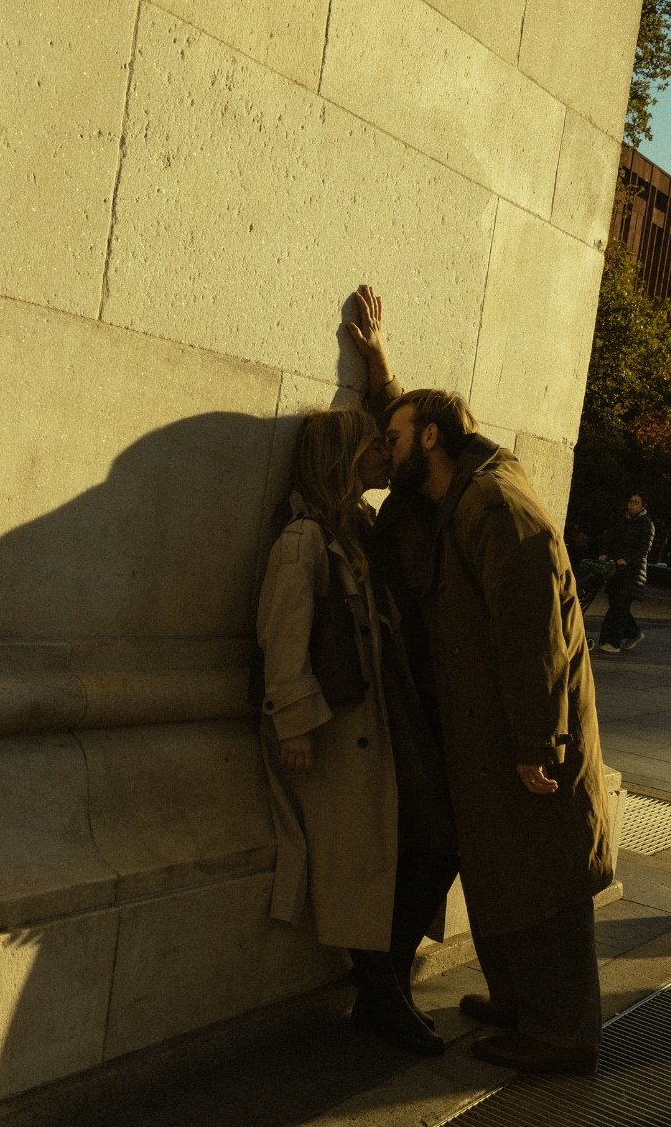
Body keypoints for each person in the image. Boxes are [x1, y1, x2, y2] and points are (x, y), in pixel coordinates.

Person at [349, 286, 613, 1076]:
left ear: (431, 438)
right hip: (488, 729)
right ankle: (519, 1000)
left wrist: (538, 740)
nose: (384, 448)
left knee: (542, 878)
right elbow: (410, 432)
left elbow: (535, 633)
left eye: (393, 436)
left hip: (522, 732)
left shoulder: (496, 504)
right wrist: (381, 371)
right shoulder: (453, 486)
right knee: (502, 867)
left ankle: (563, 1031)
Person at [255, 407, 457, 1056]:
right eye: (373, 447)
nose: (384, 456)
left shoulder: (357, 527)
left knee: (432, 843)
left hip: (374, 730)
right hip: (332, 738)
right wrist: (295, 723)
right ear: (341, 458)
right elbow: (282, 640)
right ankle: (380, 991)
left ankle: (384, 986)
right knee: (361, 864)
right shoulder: (303, 541)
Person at [595, 493, 654, 655]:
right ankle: (634, 633)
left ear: (643, 506)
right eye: (630, 501)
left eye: (636, 502)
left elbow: (644, 549)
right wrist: (604, 552)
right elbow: (610, 538)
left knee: (620, 606)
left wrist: (626, 560)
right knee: (616, 604)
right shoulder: (622, 521)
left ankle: (613, 642)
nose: (632, 505)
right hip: (616, 569)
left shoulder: (646, 524)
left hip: (633, 573)